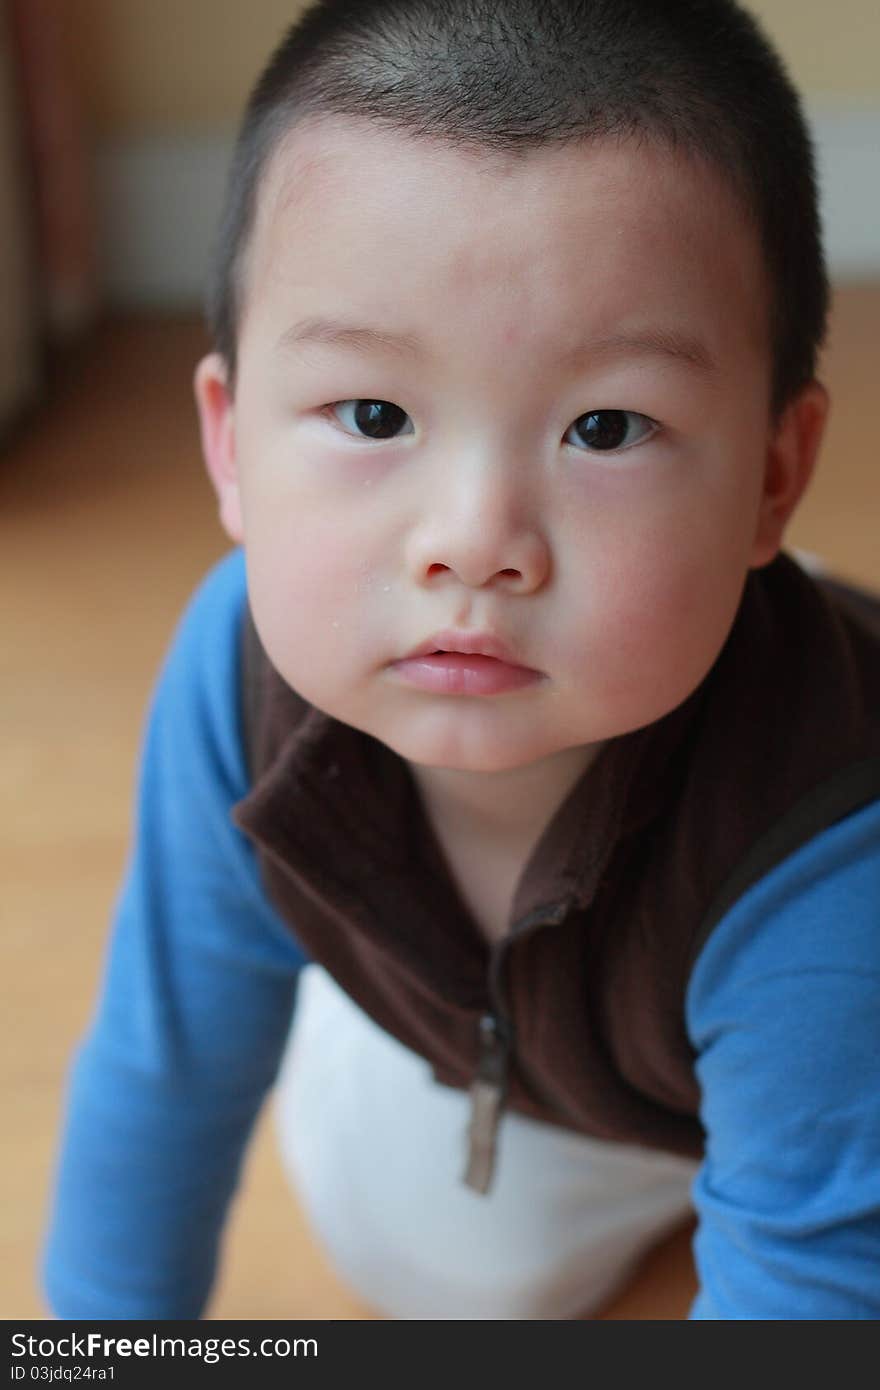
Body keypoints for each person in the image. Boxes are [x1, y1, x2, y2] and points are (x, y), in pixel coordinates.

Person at [42, 0, 880, 1320]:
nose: (475, 543)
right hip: (559, 1061)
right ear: (229, 446)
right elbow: (167, 1071)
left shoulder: (827, 847)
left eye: (606, 427)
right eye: (374, 413)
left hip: (807, 973)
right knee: (446, 1266)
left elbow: (813, 1295)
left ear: (778, 472)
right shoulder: (239, 673)